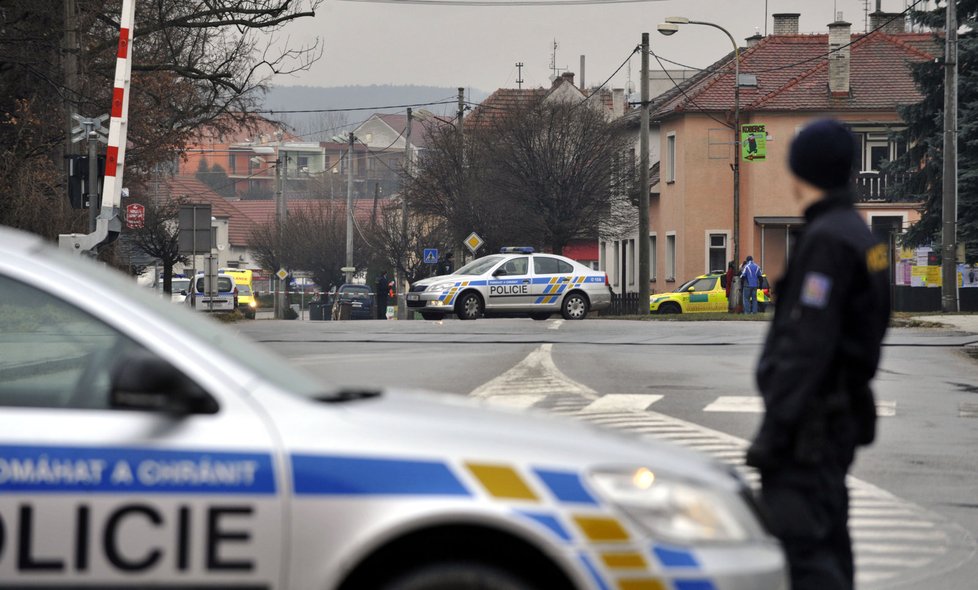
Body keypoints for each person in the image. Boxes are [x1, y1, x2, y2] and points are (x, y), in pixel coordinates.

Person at [745, 119, 890, 590]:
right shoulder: (863, 237)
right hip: (838, 416)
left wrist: (775, 431)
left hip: (810, 426)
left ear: (799, 170)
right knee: (830, 541)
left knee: (807, 555)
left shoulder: (827, 240)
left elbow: (807, 343)